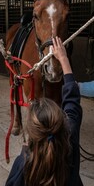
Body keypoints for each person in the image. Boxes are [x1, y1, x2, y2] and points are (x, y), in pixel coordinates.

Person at [5, 36, 83, 186]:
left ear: (30, 136)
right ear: (62, 125)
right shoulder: (70, 142)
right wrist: (64, 59)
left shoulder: (23, 164)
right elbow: (72, 101)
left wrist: (24, 152)